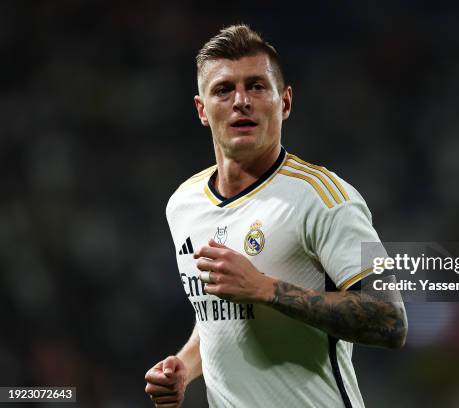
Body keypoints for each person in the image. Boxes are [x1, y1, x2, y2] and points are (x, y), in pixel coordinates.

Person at [144, 24, 408, 408]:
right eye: (223, 89)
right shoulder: (183, 204)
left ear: (284, 102)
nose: (241, 101)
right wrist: (185, 366)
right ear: (202, 110)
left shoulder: (324, 198)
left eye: (256, 86)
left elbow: (390, 319)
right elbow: (219, 317)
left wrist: (266, 288)